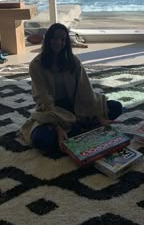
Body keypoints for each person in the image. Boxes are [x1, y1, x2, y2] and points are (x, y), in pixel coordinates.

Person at [19, 23, 122, 155]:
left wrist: (99, 116)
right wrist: (58, 127)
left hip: (77, 106)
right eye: (55, 38)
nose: (58, 42)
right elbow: (43, 99)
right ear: (48, 39)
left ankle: (76, 126)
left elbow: (85, 91)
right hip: (53, 110)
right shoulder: (36, 65)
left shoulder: (73, 61)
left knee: (115, 107)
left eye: (63, 39)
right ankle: (76, 127)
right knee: (41, 140)